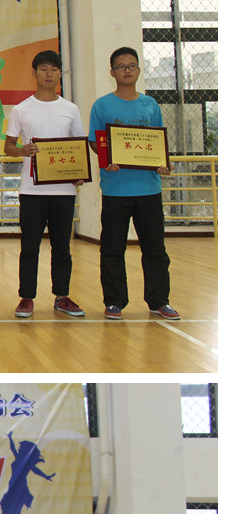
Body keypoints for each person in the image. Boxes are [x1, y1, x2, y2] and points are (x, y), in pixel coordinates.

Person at [88, 47, 179, 321]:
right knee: (112, 248)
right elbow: (96, 141)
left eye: (131, 65)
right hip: (115, 189)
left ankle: (159, 300)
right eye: (121, 66)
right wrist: (107, 160)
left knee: (155, 248)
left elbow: (158, 143)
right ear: (112, 72)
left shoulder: (150, 105)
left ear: (138, 70)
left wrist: (163, 162)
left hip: (149, 188)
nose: (126, 70)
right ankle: (114, 301)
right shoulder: (102, 105)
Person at [4, 51, 87, 319]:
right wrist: (22, 151)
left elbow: (79, 147)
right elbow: (8, 147)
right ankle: (26, 297)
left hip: (64, 190)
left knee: (62, 247)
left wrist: (79, 173)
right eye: (43, 68)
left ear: (60, 73)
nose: (48, 73)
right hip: (31, 190)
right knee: (29, 246)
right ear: (34, 72)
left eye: (53, 69)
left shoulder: (70, 109)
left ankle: (62, 296)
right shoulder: (21, 109)